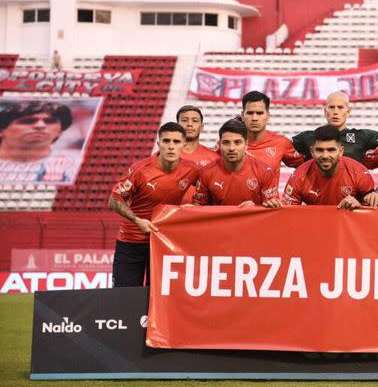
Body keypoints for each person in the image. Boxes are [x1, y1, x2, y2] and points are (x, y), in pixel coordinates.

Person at [108, 122, 199, 287]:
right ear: (159, 144)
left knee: (157, 296)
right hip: (131, 241)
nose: (171, 146)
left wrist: (193, 208)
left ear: (184, 145)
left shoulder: (192, 170)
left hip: (163, 242)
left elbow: (211, 190)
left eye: (176, 142)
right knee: (124, 296)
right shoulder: (140, 170)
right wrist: (137, 220)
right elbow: (114, 200)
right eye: (166, 141)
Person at [283, 125, 374, 210]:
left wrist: (360, 207)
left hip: (347, 225)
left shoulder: (359, 173)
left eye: (331, 150)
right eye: (319, 150)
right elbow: (287, 214)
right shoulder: (299, 176)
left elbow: (373, 214)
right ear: (312, 151)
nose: (325, 155)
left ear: (341, 151)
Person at [193, 119, 280, 208]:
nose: (231, 148)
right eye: (226, 143)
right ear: (220, 145)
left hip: (253, 222)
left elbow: (272, 210)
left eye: (237, 142)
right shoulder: (206, 172)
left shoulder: (264, 171)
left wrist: (256, 208)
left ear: (246, 144)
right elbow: (198, 208)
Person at [293, 91, 378, 163]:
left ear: (348, 112)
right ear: (325, 111)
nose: (335, 112)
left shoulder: (362, 136)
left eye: (340, 107)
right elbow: (282, 148)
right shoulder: (307, 137)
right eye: (331, 107)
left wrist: (373, 161)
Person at [0, 100, 78, 183]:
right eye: (28, 121)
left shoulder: (78, 163)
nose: (40, 126)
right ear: (1, 131)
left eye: (49, 121)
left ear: (60, 131)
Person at [240, 91, 304, 171]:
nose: (254, 118)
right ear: (242, 116)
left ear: (268, 116)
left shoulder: (281, 142)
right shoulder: (230, 143)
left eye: (259, 113)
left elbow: (308, 166)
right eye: (250, 113)